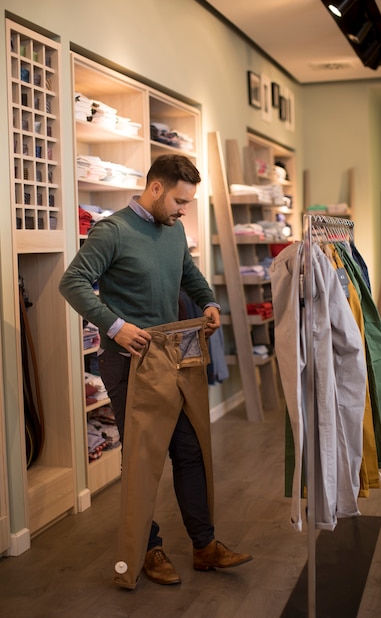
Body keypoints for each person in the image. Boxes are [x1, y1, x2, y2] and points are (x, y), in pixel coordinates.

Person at [59, 154, 252, 589]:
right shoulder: (113, 231)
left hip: (172, 352)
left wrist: (209, 303)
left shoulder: (173, 229)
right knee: (143, 458)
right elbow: (71, 282)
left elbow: (188, 273)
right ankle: (146, 549)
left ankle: (204, 546)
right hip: (130, 359)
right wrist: (115, 326)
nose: (184, 210)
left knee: (189, 449)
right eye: (181, 200)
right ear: (157, 188)